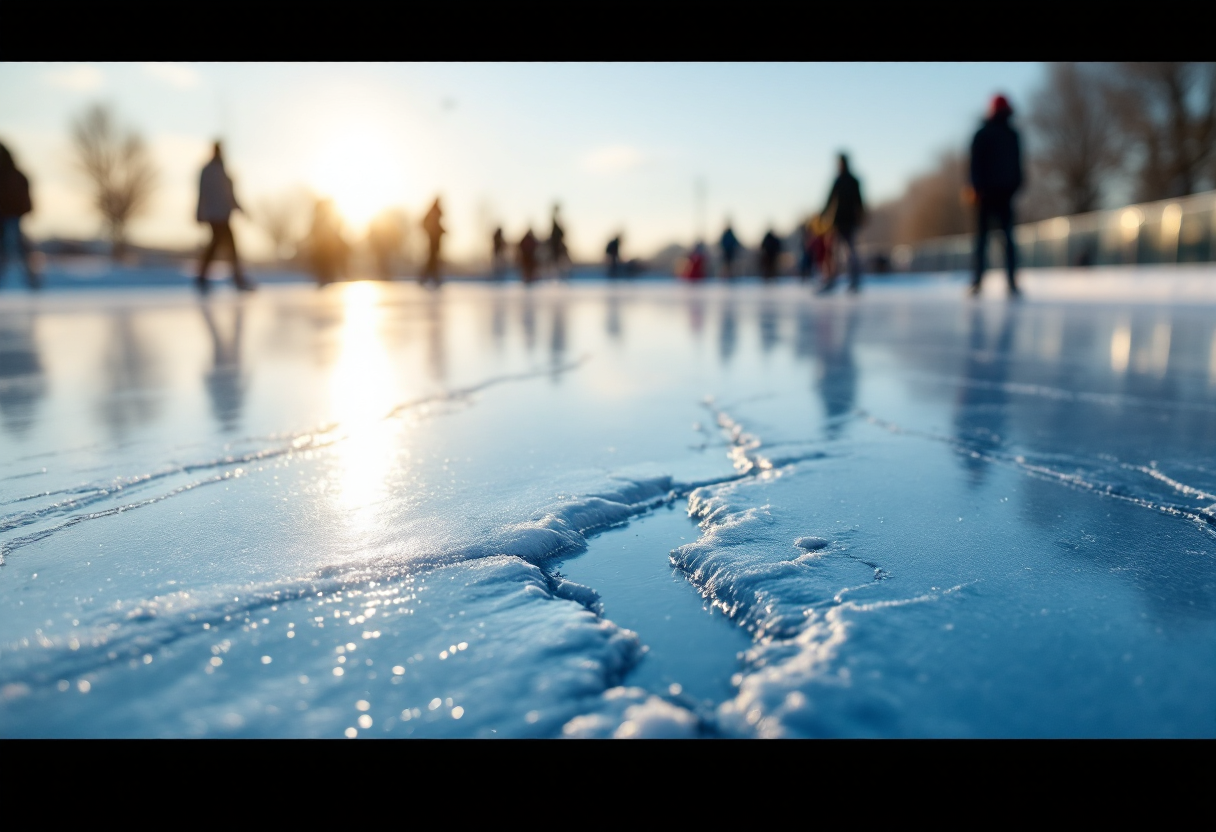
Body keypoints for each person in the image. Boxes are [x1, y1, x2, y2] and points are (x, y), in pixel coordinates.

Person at [969, 94, 1023, 297]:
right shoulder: (1009, 134)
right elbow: (975, 164)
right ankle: (1005, 282)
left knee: (986, 241)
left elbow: (974, 165)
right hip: (995, 194)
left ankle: (981, 282)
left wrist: (975, 186)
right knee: (1002, 240)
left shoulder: (987, 133)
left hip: (994, 194)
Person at [195, 142, 253, 293]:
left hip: (222, 214)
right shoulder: (210, 171)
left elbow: (230, 195)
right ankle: (236, 278)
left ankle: (203, 278)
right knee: (226, 246)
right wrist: (198, 213)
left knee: (217, 245)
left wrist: (240, 209)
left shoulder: (222, 170)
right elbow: (202, 193)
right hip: (215, 215)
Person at [817, 153, 865, 294]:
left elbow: (859, 201)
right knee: (834, 252)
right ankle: (832, 280)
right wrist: (823, 214)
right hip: (839, 222)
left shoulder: (851, 181)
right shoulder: (840, 180)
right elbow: (830, 199)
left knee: (849, 252)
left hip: (847, 221)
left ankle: (853, 281)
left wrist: (860, 216)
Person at [0, 143, 38, 290]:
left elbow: (25, 196)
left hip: (12, 217)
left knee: (13, 246)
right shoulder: (16, 175)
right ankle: (31, 279)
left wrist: (26, 209)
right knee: (12, 247)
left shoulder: (15, 176)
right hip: (8, 217)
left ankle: (32, 280)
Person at [421, 197, 445, 287]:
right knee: (433, 259)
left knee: (434, 259)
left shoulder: (434, 212)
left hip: (436, 239)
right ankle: (429, 278)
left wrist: (442, 230)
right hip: (433, 240)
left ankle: (430, 278)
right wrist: (430, 233)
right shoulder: (433, 212)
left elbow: (437, 226)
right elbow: (426, 224)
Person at [548, 204, 570, 279]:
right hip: (554, 246)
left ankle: (563, 274)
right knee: (554, 261)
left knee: (561, 260)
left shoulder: (557, 225)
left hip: (557, 246)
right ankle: (555, 275)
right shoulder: (555, 226)